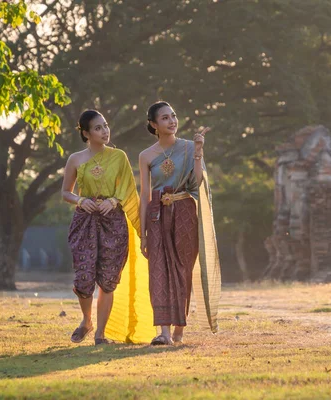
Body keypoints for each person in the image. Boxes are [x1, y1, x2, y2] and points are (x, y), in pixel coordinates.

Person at [61, 109, 153, 345]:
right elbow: (65, 192)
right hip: (85, 221)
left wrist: (114, 201)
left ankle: (100, 334)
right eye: (98, 128)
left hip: (113, 222)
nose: (105, 131)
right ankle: (86, 321)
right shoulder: (76, 159)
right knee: (83, 276)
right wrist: (82, 200)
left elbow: (127, 188)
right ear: (86, 133)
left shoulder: (119, 156)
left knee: (108, 278)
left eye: (106, 126)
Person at [139, 101, 221, 345]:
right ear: (154, 125)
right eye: (165, 118)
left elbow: (198, 182)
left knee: (182, 271)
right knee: (158, 272)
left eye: (173, 116)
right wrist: (143, 233)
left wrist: (198, 151)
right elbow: (144, 195)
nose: (172, 121)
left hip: (185, 212)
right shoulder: (146, 155)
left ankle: (179, 329)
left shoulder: (187, 148)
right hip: (157, 215)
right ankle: (163, 332)